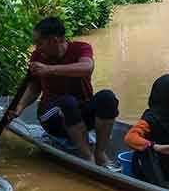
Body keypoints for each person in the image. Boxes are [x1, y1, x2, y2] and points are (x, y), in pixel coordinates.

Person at [8, 16, 118, 165]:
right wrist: (20, 107)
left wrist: (49, 70)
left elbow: (86, 68)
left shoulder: (81, 48)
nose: (37, 48)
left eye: (39, 43)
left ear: (54, 41)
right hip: (51, 117)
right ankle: (87, 157)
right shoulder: (37, 56)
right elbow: (34, 87)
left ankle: (100, 153)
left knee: (107, 97)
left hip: (79, 113)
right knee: (68, 102)